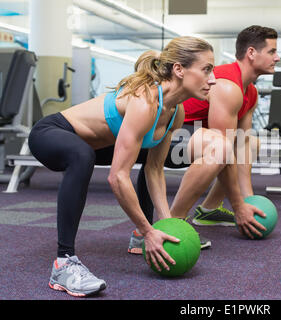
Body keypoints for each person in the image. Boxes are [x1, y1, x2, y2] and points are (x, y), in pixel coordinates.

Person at [28, 36, 216, 297]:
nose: (213, 78)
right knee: (83, 156)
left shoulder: (175, 111)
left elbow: (154, 169)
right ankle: (64, 263)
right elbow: (117, 177)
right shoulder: (145, 102)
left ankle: (142, 234)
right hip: (51, 132)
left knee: (144, 156)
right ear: (179, 69)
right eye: (207, 69)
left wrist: (165, 223)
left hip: (93, 146)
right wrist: (152, 232)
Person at [128, 25, 280, 252]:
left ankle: (209, 210)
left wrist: (248, 200)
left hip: (194, 134)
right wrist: (238, 207)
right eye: (272, 51)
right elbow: (225, 148)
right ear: (251, 53)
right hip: (168, 130)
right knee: (221, 147)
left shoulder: (251, 93)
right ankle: (174, 225)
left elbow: (242, 144)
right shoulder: (227, 86)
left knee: (251, 142)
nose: (277, 58)